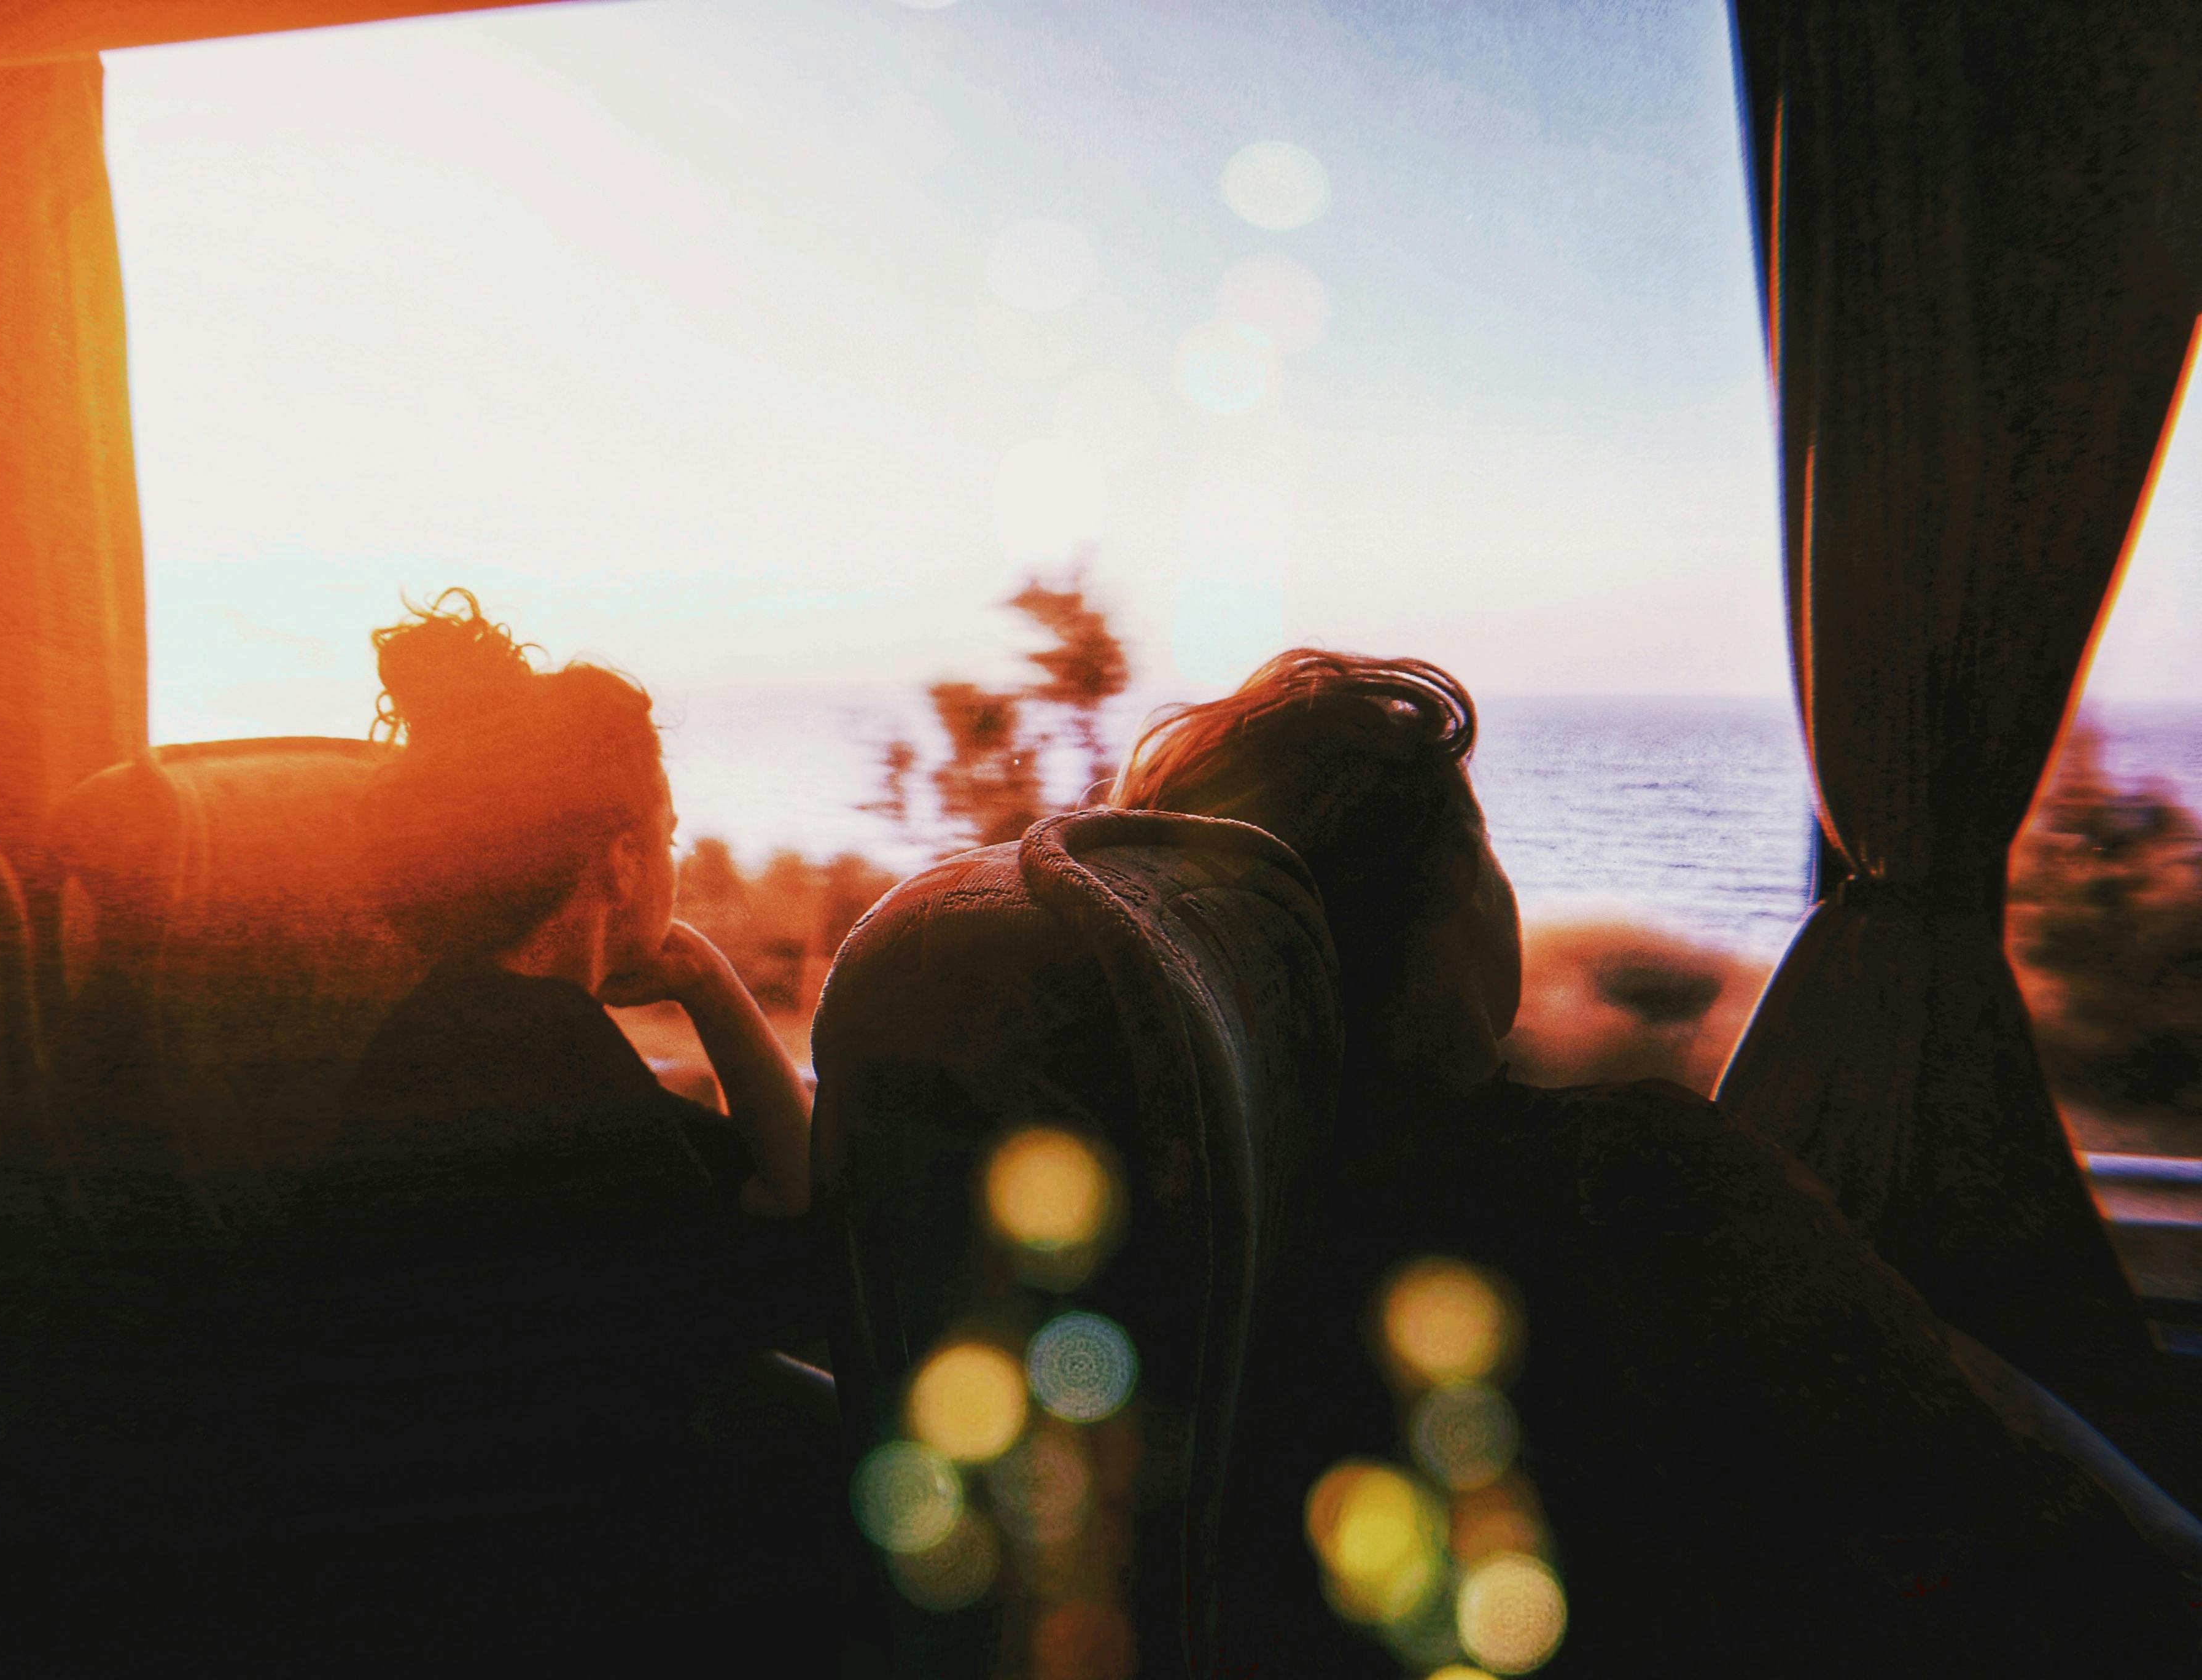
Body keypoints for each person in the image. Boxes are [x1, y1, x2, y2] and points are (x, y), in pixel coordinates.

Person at [1110, 648, 2201, 1676]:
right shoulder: (1644, 1184)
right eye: (1482, 849)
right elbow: (1995, 1528)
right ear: (1446, 909)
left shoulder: (1180, 1258)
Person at [243, 591, 859, 1665]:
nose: (674, 862)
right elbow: (811, 1225)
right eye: (663, 839)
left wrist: (703, 976)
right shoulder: (552, 1077)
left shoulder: (465, 1036)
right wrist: (710, 982)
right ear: (619, 861)